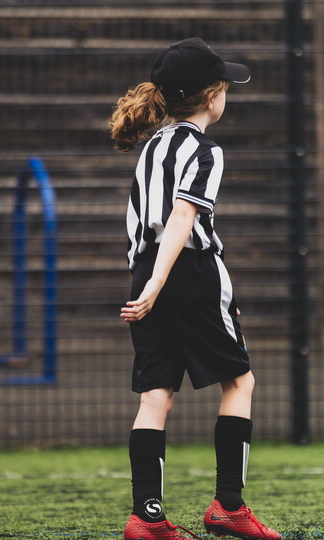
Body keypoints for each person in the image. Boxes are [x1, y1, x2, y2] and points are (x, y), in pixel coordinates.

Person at [110, 38, 281, 540]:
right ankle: (228, 505)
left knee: (155, 393)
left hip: (144, 268)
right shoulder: (205, 150)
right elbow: (183, 217)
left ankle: (147, 517)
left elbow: (144, 224)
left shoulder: (150, 148)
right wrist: (167, 283)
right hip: (189, 273)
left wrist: (148, 282)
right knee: (239, 382)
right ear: (212, 97)